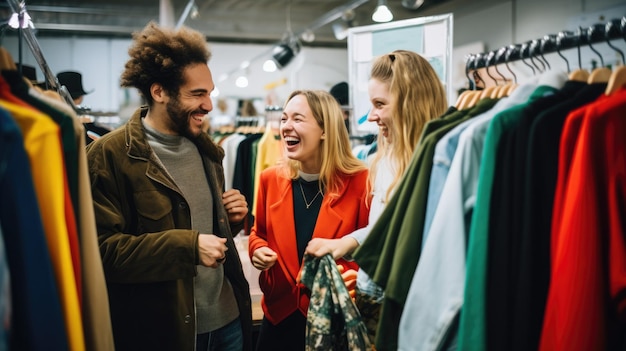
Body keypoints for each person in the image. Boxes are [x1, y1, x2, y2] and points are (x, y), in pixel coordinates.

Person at [85, 22, 253, 351]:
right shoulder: (109, 156)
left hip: (228, 319)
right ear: (159, 92)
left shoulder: (207, 149)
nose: (209, 105)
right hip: (164, 332)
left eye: (209, 92)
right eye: (197, 94)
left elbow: (207, 237)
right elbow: (101, 253)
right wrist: (186, 246)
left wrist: (230, 222)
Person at [304, 50, 448, 339]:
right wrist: (347, 243)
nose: (371, 116)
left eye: (380, 104)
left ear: (411, 103)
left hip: (408, 313)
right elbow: (385, 228)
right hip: (375, 302)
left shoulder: (440, 163)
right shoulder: (385, 157)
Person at [249, 89, 370, 351]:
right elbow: (258, 234)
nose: (286, 127)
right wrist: (258, 250)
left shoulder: (361, 182)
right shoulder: (270, 179)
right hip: (278, 317)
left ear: (324, 130)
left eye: (298, 119)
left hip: (331, 320)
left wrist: (349, 275)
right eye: (283, 118)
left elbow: (370, 249)